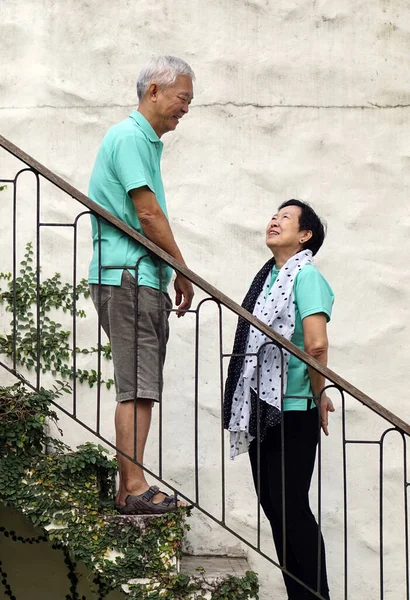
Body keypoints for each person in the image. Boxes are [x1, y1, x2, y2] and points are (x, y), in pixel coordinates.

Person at [88, 56, 195, 514]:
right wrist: (182, 268)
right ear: (154, 90)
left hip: (138, 278)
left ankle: (133, 484)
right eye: (182, 99)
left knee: (142, 386)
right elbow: (148, 213)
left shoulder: (143, 142)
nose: (185, 110)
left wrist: (168, 271)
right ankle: (132, 488)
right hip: (129, 277)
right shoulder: (131, 137)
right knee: (136, 386)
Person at [224, 200, 334, 599]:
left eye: (286, 217)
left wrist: (319, 394)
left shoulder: (306, 277)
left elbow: (316, 345)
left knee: (290, 508)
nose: (274, 220)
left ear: (305, 235)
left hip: (294, 409)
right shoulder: (268, 278)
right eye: (274, 214)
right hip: (263, 408)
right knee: (275, 507)